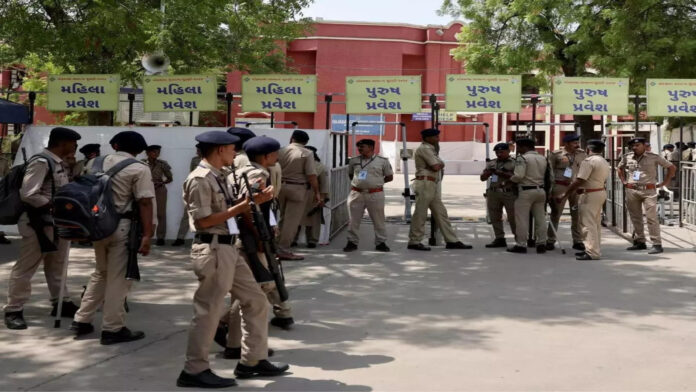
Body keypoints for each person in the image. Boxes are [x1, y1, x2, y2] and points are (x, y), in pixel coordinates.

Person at [176, 131, 288, 388]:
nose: (235, 154)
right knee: (208, 312)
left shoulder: (220, 176)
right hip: (213, 249)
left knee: (256, 299)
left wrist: (253, 202)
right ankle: (194, 370)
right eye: (231, 150)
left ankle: (252, 361)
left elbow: (227, 210)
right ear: (218, 151)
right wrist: (244, 206)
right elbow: (204, 221)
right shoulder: (200, 179)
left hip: (230, 248)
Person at [71, 131, 155, 344]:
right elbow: (145, 202)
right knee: (119, 279)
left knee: (101, 273)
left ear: (115, 145)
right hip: (123, 226)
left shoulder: (94, 163)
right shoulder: (139, 168)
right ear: (138, 149)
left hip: (97, 225)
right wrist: (147, 234)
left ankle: (82, 319)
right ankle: (112, 328)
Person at [220, 135, 294, 358]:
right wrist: (260, 236)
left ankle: (234, 343)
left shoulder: (238, 172)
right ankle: (225, 330)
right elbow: (249, 207)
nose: (277, 157)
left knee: (248, 290)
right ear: (265, 156)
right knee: (256, 290)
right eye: (274, 153)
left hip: (245, 234)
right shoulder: (257, 173)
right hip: (251, 237)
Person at [3, 127, 81, 330]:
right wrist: (53, 204)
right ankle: (13, 309)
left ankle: (61, 303)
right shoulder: (41, 162)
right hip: (37, 222)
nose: (75, 147)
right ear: (62, 142)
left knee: (57, 264)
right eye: (73, 143)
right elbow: (28, 193)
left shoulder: (58, 164)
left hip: (56, 223)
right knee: (26, 268)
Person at [407, 128, 472, 251]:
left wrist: (440, 163)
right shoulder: (425, 149)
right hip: (425, 183)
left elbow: (436, 166)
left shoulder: (431, 149)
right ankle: (414, 241)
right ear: (427, 138)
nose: (438, 139)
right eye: (435, 137)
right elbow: (436, 166)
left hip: (431, 184)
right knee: (421, 213)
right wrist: (442, 163)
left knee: (441, 213)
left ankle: (452, 241)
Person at [618, 137, 676, 254]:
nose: (635, 147)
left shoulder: (653, 156)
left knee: (651, 218)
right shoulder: (627, 156)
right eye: (633, 146)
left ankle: (656, 244)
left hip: (649, 191)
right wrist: (624, 181)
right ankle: (640, 241)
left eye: (638, 145)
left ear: (644, 145)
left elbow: (672, 167)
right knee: (636, 217)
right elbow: (619, 168)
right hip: (632, 191)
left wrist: (665, 183)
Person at [560, 140, 611, 260]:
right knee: (595, 223)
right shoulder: (603, 160)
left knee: (587, 224)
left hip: (590, 194)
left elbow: (580, 180)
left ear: (588, 149)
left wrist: (565, 194)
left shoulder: (589, 161)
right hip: (599, 192)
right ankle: (594, 249)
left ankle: (592, 252)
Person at [276, 130, 321, 260]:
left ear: (292, 138)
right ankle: (283, 249)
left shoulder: (281, 151)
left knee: (283, 218)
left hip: (280, 187)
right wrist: (317, 192)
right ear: (306, 142)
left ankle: (277, 245)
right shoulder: (307, 153)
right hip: (298, 188)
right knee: (292, 221)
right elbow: (311, 175)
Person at [343, 139, 393, 252]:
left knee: (378, 219)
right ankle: (352, 242)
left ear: (371, 148)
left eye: (362, 147)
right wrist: (362, 185)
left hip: (375, 194)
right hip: (357, 193)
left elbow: (389, 177)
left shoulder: (382, 161)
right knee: (353, 220)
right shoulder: (354, 161)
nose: (359, 149)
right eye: (358, 147)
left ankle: (381, 242)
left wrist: (375, 183)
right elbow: (351, 175)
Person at [507, 138, 550, 254]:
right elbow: (548, 176)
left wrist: (510, 179)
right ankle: (541, 243)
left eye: (518, 147)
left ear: (524, 147)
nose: (518, 150)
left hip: (526, 191)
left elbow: (519, 176)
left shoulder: (523, 158)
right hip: (540, 190)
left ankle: (521, 245)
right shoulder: (542, 158)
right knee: (540, 219)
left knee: (522, 219)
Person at [547, 134, 587, 251]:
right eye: (574, 143)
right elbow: (550, 172)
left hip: (576, 187)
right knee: (555, 214)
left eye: (577, 142)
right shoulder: (556, 155)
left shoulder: (582, 154)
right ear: (566, 144)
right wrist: (550, 190)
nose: (577, 145)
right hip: (560, 187)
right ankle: (550, 240)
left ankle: (578, 240)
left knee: (577, 215)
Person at [480, 142, 516, 248]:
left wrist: (499, 172)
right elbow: (482, 178)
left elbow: (517, 177)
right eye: (497, 152)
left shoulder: (514, 162)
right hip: (494, 192)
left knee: (513, 217)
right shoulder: (492, 163)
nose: (499, 154)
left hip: (509, 193)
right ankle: (499, 238)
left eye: (502, 152)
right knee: (495, 216)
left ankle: (519, 239)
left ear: (508, 151)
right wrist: (488, 173)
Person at [297, 146, 329, 248]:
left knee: (313, 219)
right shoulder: (296, 164)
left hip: (313, 194)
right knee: (295, 218)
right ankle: (292, 238)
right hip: (298, 193)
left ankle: (312, 240)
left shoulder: (320, 167)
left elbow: (324, 184)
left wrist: (323, 197)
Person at [143, 145, 172, 246]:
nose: (156, 154)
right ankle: (144, 236)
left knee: (161, 214)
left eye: (158, 152)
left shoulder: (162, 164)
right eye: (154, 152)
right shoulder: (142, 163)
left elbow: (169, 178)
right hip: (145, 189)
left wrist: (161, 183)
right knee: (144, 212)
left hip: (159, 189)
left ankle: (160, 237)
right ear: (147, 153)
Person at [172, 150, 202, 246]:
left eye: (199, 150)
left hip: (206, 188)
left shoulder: (211, 159)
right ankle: (180, 238)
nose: (197, 152)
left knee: (205, 214)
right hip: (194, 188)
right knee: (187, 214)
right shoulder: (194, 160)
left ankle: (201, 238)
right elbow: (191, 173)